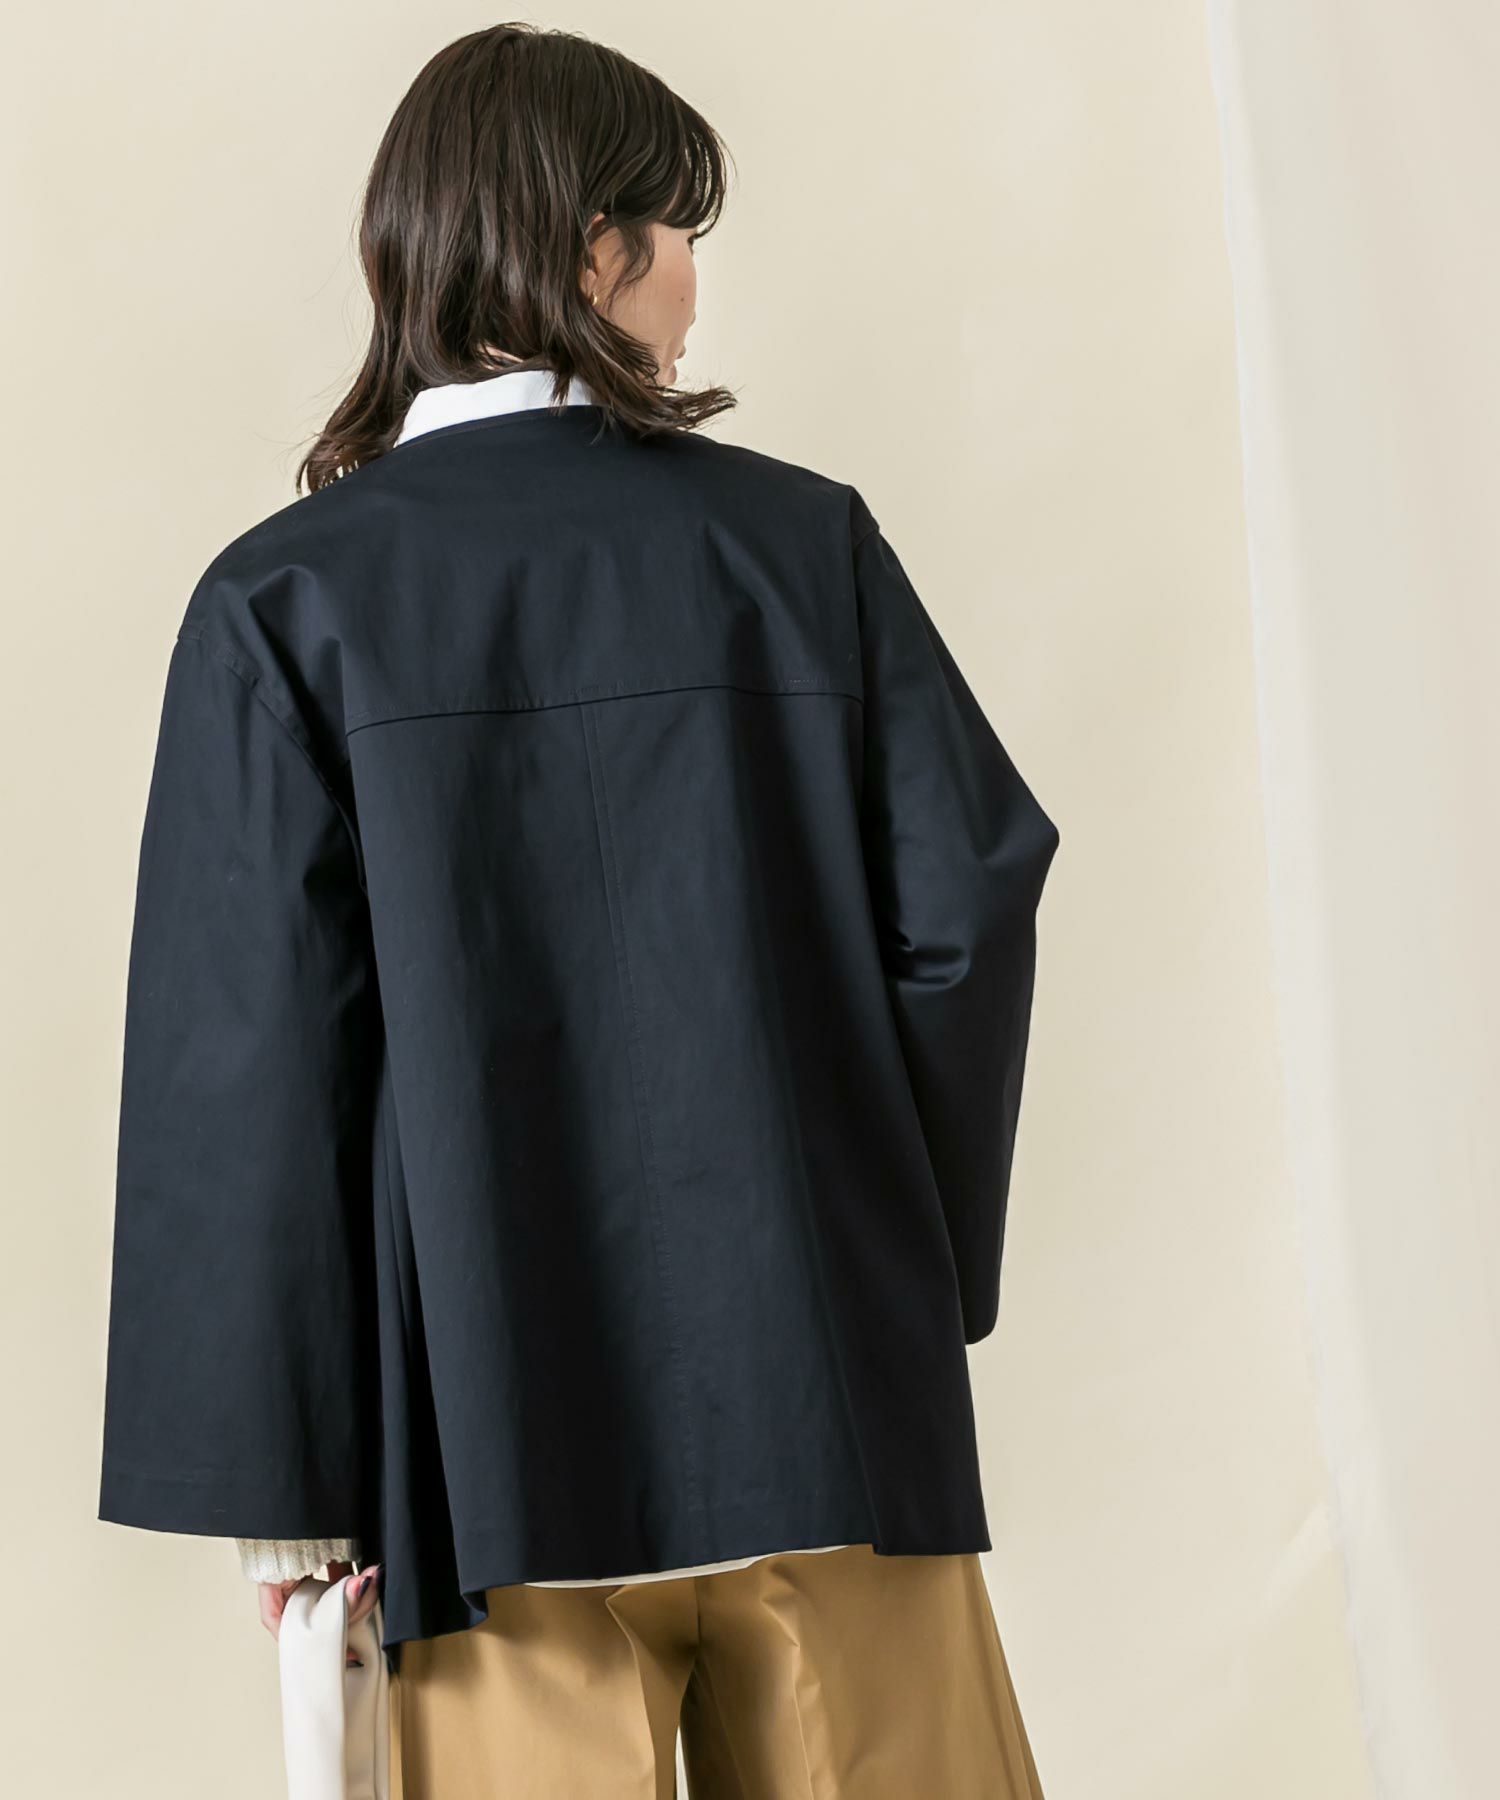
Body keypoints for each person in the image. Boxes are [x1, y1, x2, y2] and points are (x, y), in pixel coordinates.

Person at [97, 21, 1060, 1798]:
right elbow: (968, 913)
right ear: (592, 247)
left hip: (487, 1458)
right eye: (677, 233)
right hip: (831, 1413)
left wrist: (289, 1482)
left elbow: (247, 1058)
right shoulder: (802, 549)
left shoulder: (286, 603)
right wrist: (893, 1267)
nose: (692, 284)